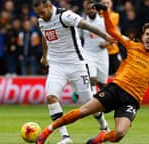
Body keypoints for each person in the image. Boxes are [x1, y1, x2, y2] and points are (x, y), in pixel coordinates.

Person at [35, 3, 149, 144]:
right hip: (115, 89)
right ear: (142, 36)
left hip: (132, 100)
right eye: (147, 34)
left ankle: (100, 139)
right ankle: (48, 130)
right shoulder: (132, 45)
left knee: (119, 134)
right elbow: (113, 31)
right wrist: (106, 12)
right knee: (84, 110)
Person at [32, 1, 114, 144]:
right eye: (38, 14)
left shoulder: (65, 15)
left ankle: (104, 127)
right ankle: (65, 137)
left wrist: (105, 36)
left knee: (89, 102)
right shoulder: (41, 21)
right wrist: (45, 56)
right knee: (51, 97)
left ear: (49, 6)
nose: (40, 16)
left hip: (76, 64)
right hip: (56, 66)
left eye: (42, 12)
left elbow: (85, 25)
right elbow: (45, 37)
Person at [80, 0, 109, 96]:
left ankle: (101, 102)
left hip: (102, 54)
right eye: (89, 9)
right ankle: (92, 99)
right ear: (86, 10)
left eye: (93, 8)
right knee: (92, 78)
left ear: (97, 9)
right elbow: (78, 37)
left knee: (102, 83)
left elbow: (112, 37)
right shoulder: (82, 23)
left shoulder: (103, 21)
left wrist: (106, 44)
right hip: (88, 53)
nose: (91, 11)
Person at [100, 0, 121, 76]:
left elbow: (116, 32)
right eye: (103, 3)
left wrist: (108, 42)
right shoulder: (97, 17)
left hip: (113, 50)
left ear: (112, 4)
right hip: (101, 50)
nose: (106, 5)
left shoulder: (116, 16)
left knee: (118, 74)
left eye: (107, 3)